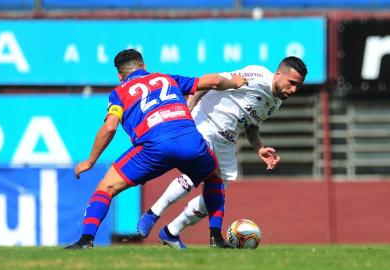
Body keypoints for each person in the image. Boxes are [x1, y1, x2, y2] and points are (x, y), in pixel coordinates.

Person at [64, 49, 248, 249]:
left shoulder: (119, 93)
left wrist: (90, 161)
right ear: (144, 66)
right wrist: (234, 82)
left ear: (120, 76)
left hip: (153, 148)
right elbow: (213, 82)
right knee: (214, 177)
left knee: (106, 188)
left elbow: (109, 127)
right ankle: (216, 238)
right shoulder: (166, 78)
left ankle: (86, 241)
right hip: (190, 141)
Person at [137, 56, 308, 248]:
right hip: (205, 123)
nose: (293, 90)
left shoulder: (276, 102)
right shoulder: (258, 75)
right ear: (278, 74)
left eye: (298, 86)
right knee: (196, 174)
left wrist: (259, 147)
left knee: (215, 196)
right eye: (291, 83)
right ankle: (153, 214)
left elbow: (252, 126)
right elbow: (211, 82)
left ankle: (171, 232)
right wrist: (187, 111)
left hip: (227, 141)